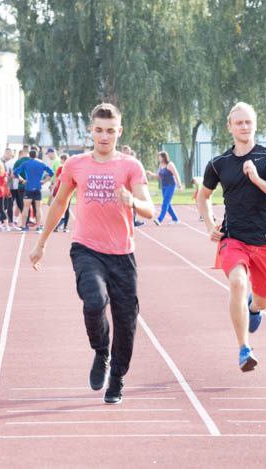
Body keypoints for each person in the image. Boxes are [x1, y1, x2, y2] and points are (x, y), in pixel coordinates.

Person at [29, 103, 155, 404]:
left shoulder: (131, 166)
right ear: (91, 131)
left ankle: (117, 378)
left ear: (119, 132)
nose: (104, 136)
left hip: (123, 254)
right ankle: (101, 350)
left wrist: (131, 201)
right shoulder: (75, 165)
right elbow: (59, 204)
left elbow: (149, 209)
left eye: (110, 131)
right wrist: (41, 242)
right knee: (95, 302)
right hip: (86, 249)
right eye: (99, 130)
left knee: (126, 323)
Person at [196, 102, 266, 372]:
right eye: (238, 123)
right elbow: (203, 196)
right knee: (238, 283)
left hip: (263, 241)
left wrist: (257, 180)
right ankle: (244, 349)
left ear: (255, 125)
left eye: (248, 122)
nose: (243, 126)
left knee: (263, 299)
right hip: (233, 238)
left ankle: (253, 308)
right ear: (229, 127)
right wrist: (209, 224)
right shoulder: (219, 163)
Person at [15, 149, 54, 232]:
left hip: (28, 188)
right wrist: (44, 181)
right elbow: (51, 173)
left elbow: (15, 172)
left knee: (26, 208)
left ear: (29, 155)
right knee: (38, 208)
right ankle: (39, 227)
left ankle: (24, 226)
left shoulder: (26, 163)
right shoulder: (41, 163)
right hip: (37, 188)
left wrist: (22, 180)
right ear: (36, 155)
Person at [146, 151, 182, 225]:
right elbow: (158, 176)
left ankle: (159, 219)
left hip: (171, 185)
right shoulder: (160, 165)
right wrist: (150, 174)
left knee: (165, 203)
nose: (158, 158)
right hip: (164, 186)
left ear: (164, 157)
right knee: (167, 203)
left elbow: (176, 174)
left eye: (159, 157)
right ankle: (175, 219)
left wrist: (180, 185)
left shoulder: (170, 164)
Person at [9, 148, 29, 227]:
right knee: (27, 205)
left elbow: (14, 173)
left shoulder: (17, 162)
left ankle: (12, 221)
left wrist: (22, 180)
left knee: (18, 205)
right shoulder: (31, 161)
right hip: (29, 186)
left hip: (18, 186)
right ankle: (27, 223)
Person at [53, 153, 72, 232]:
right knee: (67, 209)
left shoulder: (60, 168)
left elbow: (57, 180)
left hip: (61, 191)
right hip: (68, 190)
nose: (60, 161)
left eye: (61, 160)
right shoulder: (71, 168)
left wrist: (54, 189)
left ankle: (57, 226)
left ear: (64, 160)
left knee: (59, 208)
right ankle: (65, 227)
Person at [1, 148, 15, 227]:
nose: (6, 155)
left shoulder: (12, 162)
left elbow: (11, 175)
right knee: (3, 206)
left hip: (11, 187)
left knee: (9, 205)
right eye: (6, 153)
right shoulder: (2, 162)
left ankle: (10, 221)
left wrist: (9, 177)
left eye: (8, 153)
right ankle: (1, 222)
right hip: (3, 187)